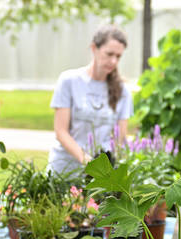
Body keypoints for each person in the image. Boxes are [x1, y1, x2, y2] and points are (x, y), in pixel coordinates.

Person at [48, 25, 132, 173]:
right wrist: (88, 162)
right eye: (109, 54)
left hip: (100, 176)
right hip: (64, 170)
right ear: (94, 48)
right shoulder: (69, 81)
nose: (113, 61)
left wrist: (106, 170)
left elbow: (120, 139)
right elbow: (61, 131)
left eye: (118, 56)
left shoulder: (123, 91)